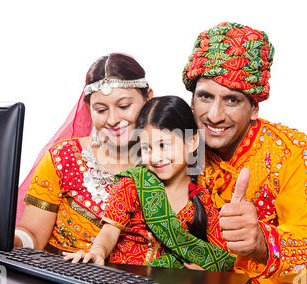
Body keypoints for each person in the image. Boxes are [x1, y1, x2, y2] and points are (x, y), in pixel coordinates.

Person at [182, 22, 307, 284]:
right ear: (191, 100)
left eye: (231, 100)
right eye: (205, 96)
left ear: (254, 108)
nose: (214, 115)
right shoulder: (181, 146)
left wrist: (261, 242)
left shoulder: (296, 152)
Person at [0, 53, 154, 254]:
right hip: (65, 282)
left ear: (148, 98)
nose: (113, 119)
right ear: (88, 109)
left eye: (124, 106)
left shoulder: (167, 163)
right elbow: (33, 234)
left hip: (150, 283)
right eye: (100, 109)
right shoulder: (64, 158)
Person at [63, 96, 236, 271]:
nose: (155, 157)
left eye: (163, 145)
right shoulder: (133, 184)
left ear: (192, 142)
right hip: (122, 279)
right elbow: (109, 232)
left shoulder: (204, 196)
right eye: (146, 148)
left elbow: (218, 257)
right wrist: (98, 252)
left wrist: (205, 275)